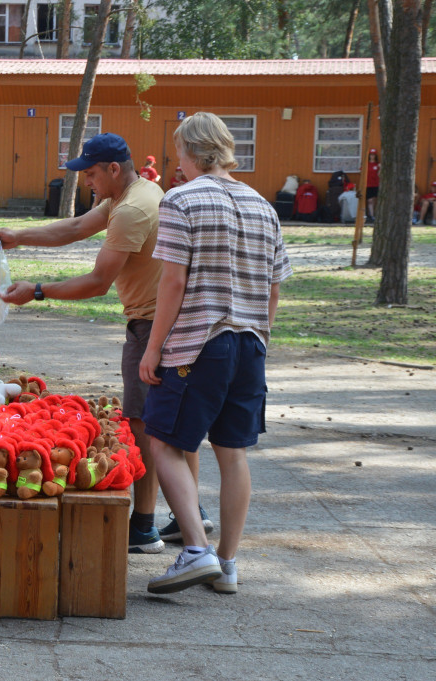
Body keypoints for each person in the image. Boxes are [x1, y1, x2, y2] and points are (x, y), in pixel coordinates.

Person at [0, 132, 213, 555]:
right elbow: (75, 227)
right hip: (167, 323)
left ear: (114, 169)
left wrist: (36, 291)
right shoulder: (136, 191)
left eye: (91, 173)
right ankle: (193, 513)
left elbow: (97, 283)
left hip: (150, 326)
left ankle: (144, 526)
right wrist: (18, 236)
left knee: (144, 425)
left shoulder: (131, 209)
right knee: (174, 423)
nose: (87, 181)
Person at [139, 111, 292, 595]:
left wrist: (154, 347)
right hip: (251, 344)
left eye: (177, 152)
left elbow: (174, 281)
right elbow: (274, 287)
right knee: (234, 454)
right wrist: (261, 335)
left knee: (162, 442)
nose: (175, 161)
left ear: (192, 151)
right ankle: (227, 564)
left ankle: (194, 550)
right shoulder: (263, 206)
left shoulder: (180, 200)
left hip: (199, 344)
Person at [365, 148, 380, 222]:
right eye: (371, 155)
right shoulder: (366, 164)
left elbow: (380, 174)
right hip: (368, 185)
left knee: (374, 200)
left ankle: (374, 214)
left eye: (373, 155)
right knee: (369, 200)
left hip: (375, 184)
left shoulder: (377, 165)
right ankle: (371, 215)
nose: (372, 156)